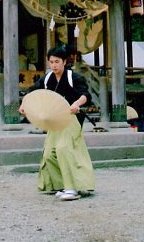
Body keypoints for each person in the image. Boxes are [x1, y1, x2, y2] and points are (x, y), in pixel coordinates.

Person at [19, 46, 95, 201]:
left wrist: (77, 104)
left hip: (71, 118)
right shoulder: (47, 79)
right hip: (54, 120)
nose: (54, 65)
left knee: (63, 148)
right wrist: (24, 104)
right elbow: (32, 92)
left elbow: (86, 95)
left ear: (64, 62)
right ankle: (61, 185)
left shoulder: (73, 77)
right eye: (51, 62)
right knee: (49, 154)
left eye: (57, 62)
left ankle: (72, 188)